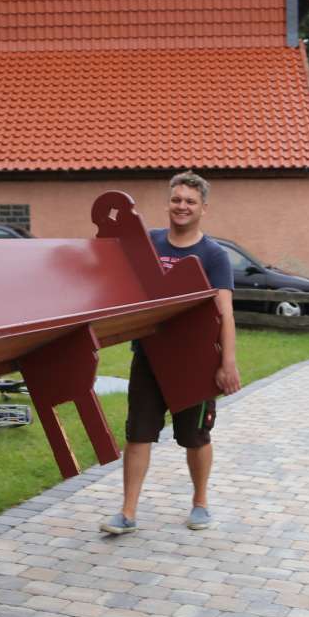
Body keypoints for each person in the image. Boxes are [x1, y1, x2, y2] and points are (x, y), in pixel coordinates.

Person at [101, 171, 240, 535]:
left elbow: (225, 312)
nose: (182, 206)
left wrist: (227, 363)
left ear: (203, 209)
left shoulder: (213, 256)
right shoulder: (150, 244)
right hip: (149, 356)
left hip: (195, 363)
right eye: (177, 199)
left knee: (195, 438)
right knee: (138, 433)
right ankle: (127, 512)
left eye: (190, 201)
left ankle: (200, 503)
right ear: (168, 203)